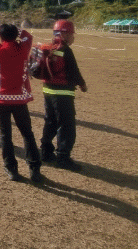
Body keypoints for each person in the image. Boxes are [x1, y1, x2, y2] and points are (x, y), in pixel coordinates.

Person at [0, 24, 42, 182]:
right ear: (15, 35)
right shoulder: (23, 48)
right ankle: (34, 169)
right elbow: (28, 36)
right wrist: (16, 29)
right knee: (27, 134)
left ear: (1, 36)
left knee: (5, 135)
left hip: (1, 99)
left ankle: (11, 168)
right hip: (19, 98)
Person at [39, 19, 88, 171]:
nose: (73, 37)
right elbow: (74, 71)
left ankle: (46, 152)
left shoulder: (49, 47)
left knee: (51, 122)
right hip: (63, 93)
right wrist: (82, 84)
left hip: (48, 91)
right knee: (67, 126)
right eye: (72, 34)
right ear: (65, 34)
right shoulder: (65, 50)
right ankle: (63, 157)